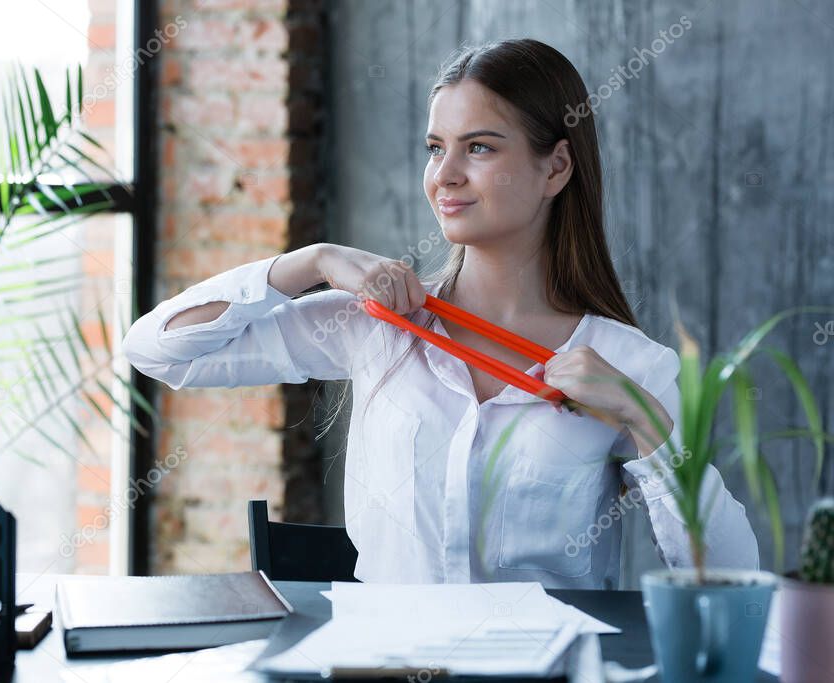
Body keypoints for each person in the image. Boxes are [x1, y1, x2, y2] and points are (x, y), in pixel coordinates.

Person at [122, 39, 759, 588]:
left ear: (555, 167)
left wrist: (644, 422)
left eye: (479, 148)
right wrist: (311, 260)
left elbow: (730, 573)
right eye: (435, 148)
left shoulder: (629, 365)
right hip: (382, 665)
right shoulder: (375, 324)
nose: (445, 175)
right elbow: (154, 350)